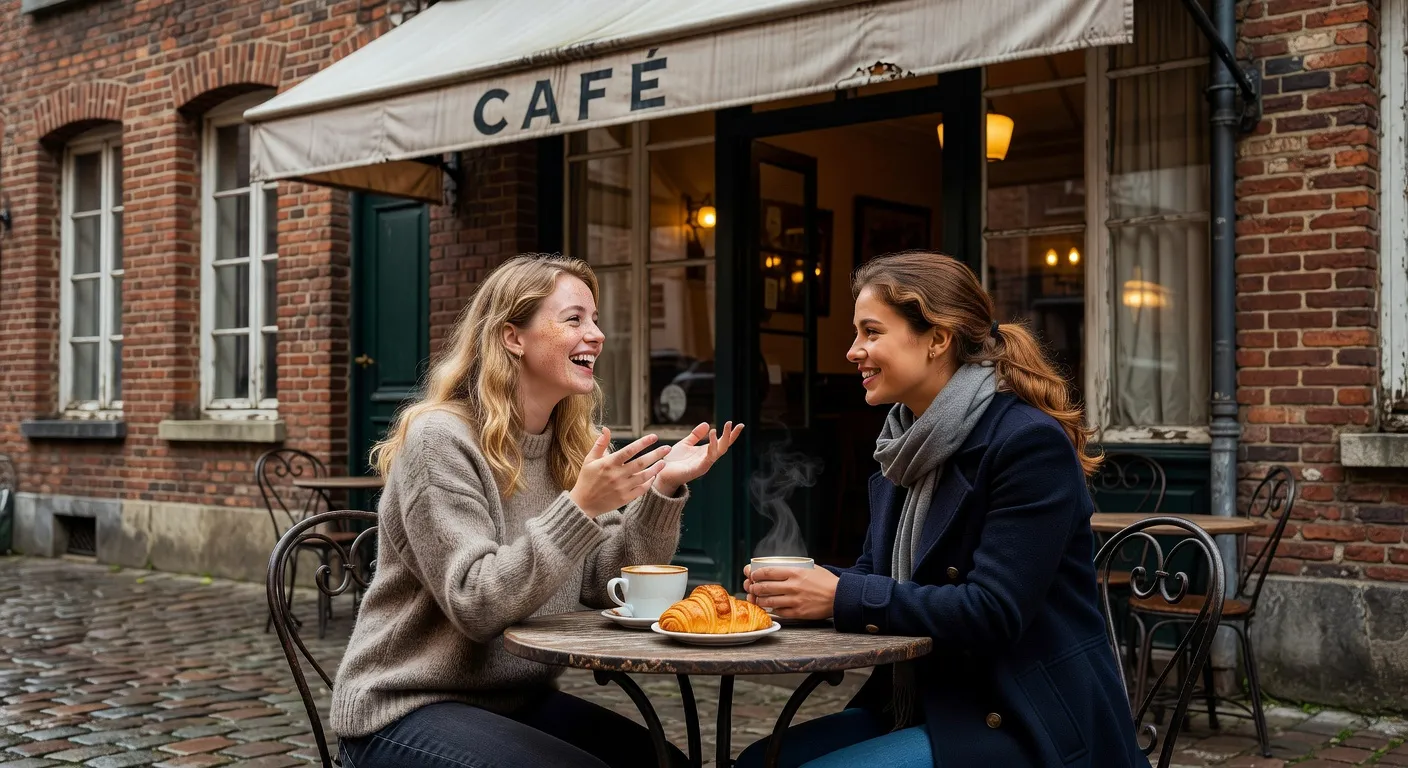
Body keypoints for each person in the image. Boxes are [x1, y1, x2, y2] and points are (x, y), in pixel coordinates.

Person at [737, 251, 1147, 768]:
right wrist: (799, 591)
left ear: (937, 338)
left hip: (1023, 718)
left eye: (871, 332)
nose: (852, 351)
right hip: (929, 702)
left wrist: (839, 594)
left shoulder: (1026, 444)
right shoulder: (905, 445)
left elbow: (993, 611)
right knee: (758, 762)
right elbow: (875, 577)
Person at [332, 254, 743, 768]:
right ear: (513, 337)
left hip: (515, 701)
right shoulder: (440, 441)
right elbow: (476, 603)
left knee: (666, 764)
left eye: (594, 320)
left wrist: (660, 489)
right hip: (405, 708)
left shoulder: (571, 446)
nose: (595, 334)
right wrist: (580, 506)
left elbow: (604, 582)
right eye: (574, 319)